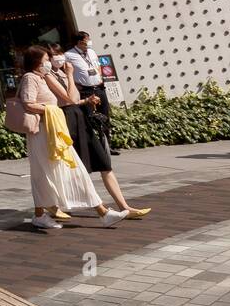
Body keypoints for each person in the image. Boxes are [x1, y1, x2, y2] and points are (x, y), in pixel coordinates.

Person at [18, 46, 128, 230]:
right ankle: (42, 215)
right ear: (37, 62)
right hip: (42, 134)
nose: (49, 62)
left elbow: (70, 98)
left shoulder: (43, 77)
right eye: (46, 59)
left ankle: (102, 213)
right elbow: (28, 103)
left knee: (71, 170)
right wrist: (51, 110)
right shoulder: (30, 78)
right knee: (44, 173)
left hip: (54, 133)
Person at [44, 44, 150, 220]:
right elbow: (69, 98)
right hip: (65, 122)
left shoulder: (62, 73)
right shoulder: (50, 76)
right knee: (75, 168)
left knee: (103, 162)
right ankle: (58, 206)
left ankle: (124, 206)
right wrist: (71, 75)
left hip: (79, 117)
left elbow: (74, 99)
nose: (59, 58)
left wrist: (86, 100)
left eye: (60, 53)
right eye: (54, 55)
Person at [65, 31, 118, 156]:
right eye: (86, 40)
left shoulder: (92, 52)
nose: (89, 42)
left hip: (99, 88)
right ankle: (93, 148)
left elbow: (97, 66)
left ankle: (107, 146)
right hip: (85, 90)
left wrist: (99, 76)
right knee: (89, 118)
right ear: (79, 42)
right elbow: (67, 72)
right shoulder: (69, 55)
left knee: (104, 117)